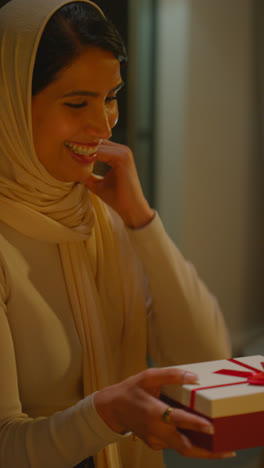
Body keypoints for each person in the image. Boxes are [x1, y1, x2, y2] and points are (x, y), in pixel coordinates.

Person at [0, 1, 233, 467]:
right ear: (9, 102)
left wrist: (141, 221)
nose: (104, 122)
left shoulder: (98, 215)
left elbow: (206, 362)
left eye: (110, 96)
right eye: (76, 103)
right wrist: (106, 414)